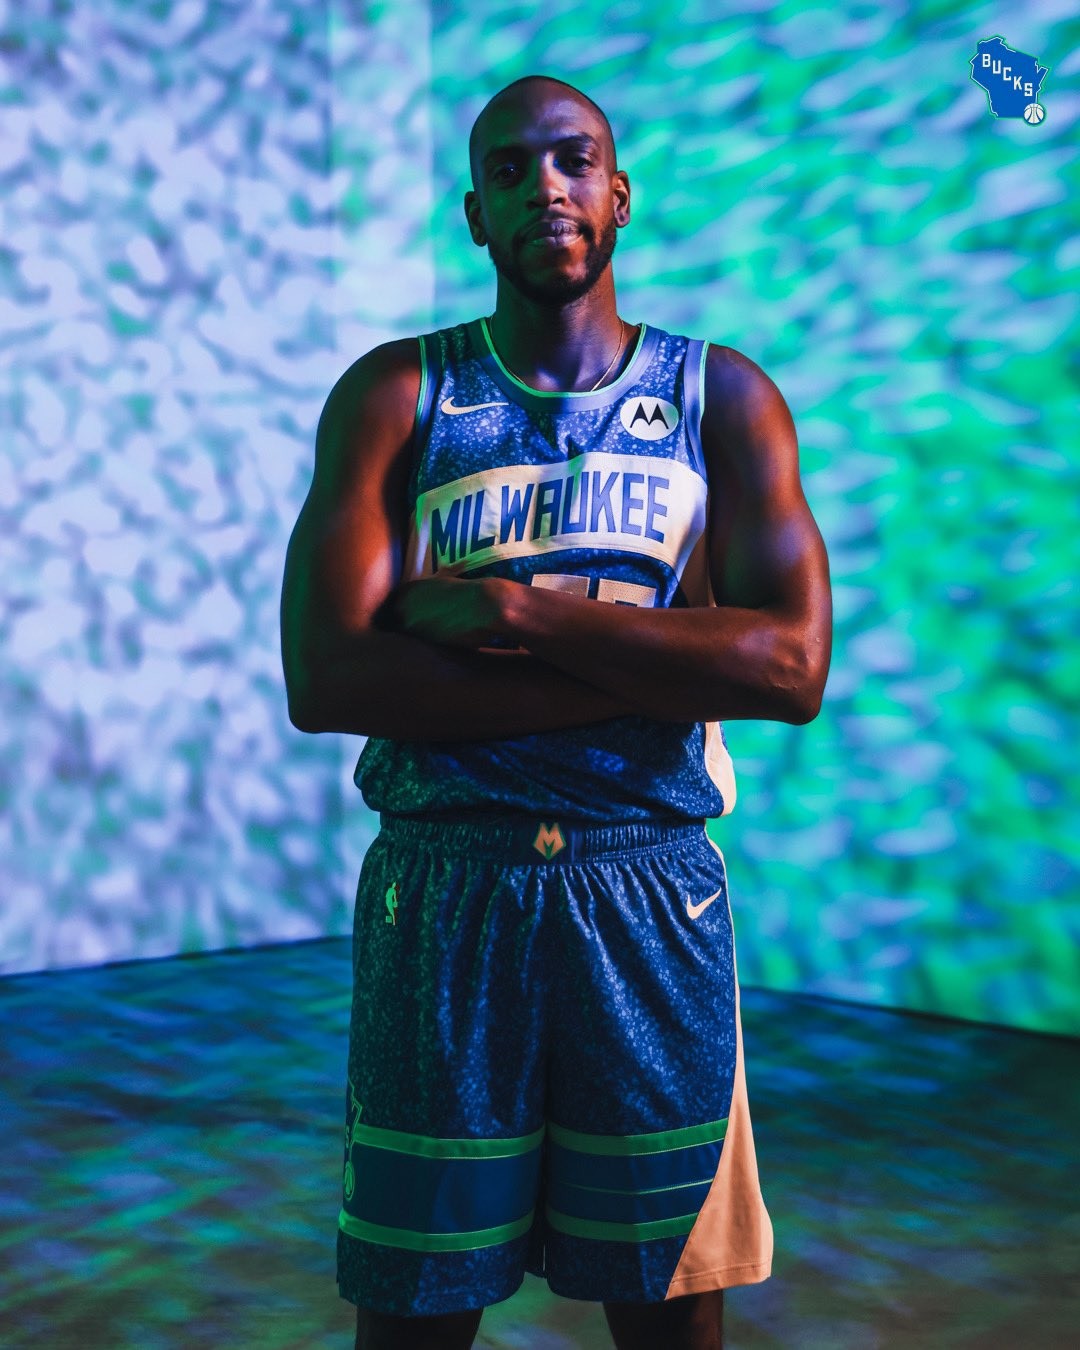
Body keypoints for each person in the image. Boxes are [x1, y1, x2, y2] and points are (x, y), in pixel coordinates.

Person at [280, 73, 832, 1350]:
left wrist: (516, 614)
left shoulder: (721, 397)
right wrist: (668, 659)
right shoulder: (399, 395)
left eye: (574, 160)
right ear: (475, 214)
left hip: (648, 890)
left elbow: (789, 670)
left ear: (620, 195)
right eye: (511, 168)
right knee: (415, 1308)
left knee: (668, 1308)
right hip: (446, 888)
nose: (547, 187)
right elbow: (331, 681)